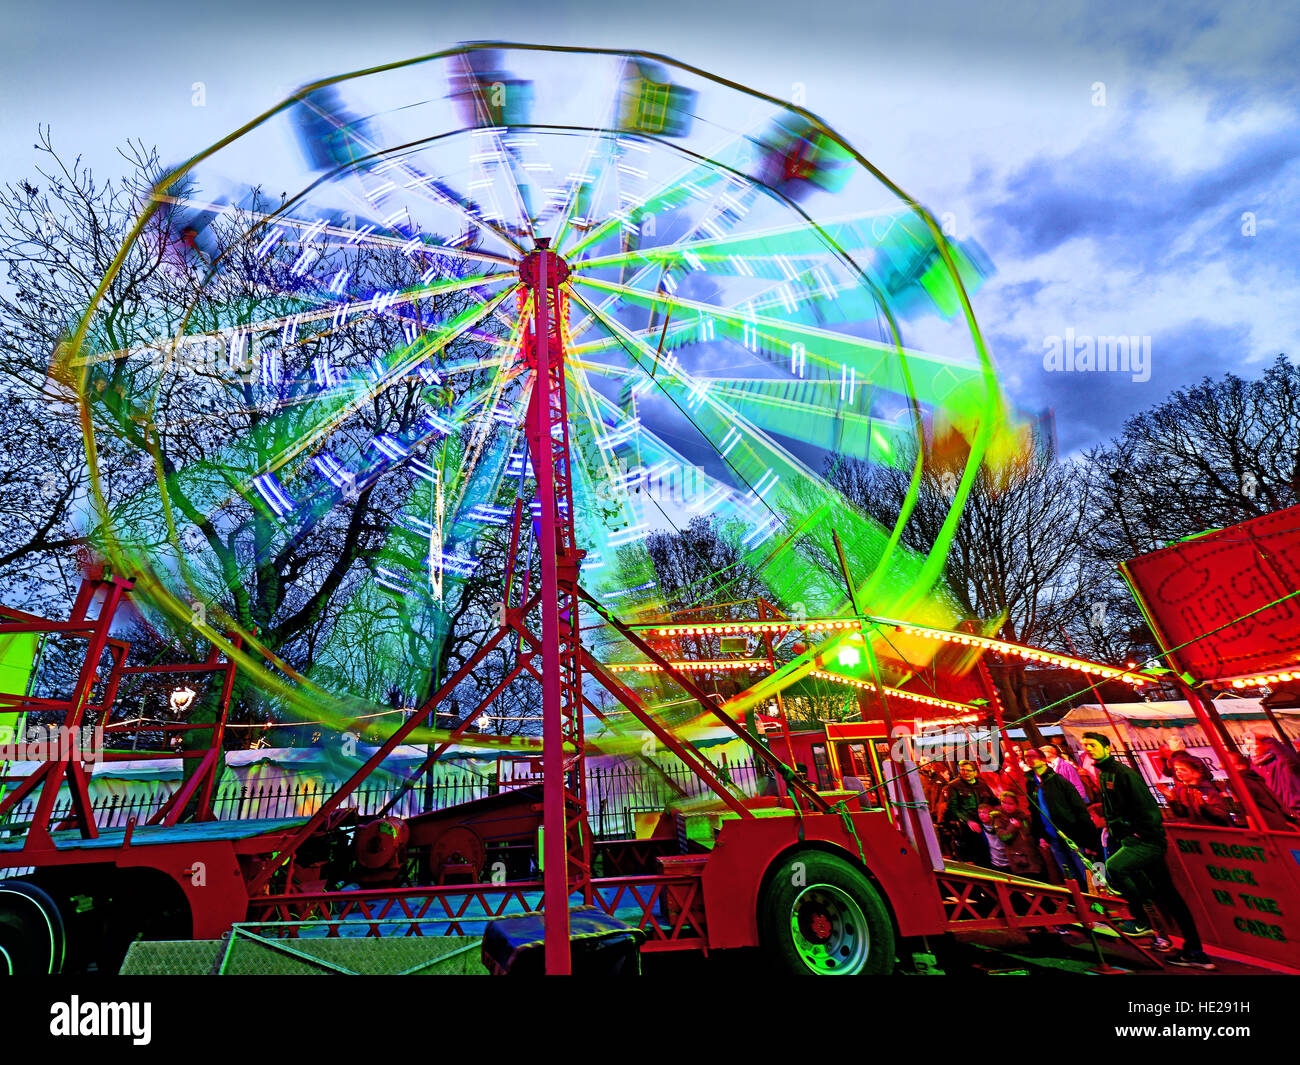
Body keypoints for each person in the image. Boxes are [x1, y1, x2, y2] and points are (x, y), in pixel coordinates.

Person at [1082, 731, 1215, 970]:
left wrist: (1136, 833)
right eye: (1085, 746)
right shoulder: (1105, 774)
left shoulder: (1122, 774)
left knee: (1114, 867)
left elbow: (1146, 807)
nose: (1088, 749)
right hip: (1133, 838)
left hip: (1143, 840)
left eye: (1092, 745)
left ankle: (1141, 919)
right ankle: (1192, 949)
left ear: (1106, 747)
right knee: (1166, 893)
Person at [1023, 748, 1099, 887]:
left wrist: (1089, 839)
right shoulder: (1031, 784)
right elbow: (1034, 810)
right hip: (1052, 836)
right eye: (1026, 757)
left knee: (1086, 870)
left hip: (1070, 833)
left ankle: (1099, 900)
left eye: (1032, 756)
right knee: (1069, 875)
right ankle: (1083, 902)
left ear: (1044, 759)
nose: (1028, 759)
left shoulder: (1058, 780)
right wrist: (1040, 835)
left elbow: (1078, 807)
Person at [938, 760, 997, 866]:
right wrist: (968, 821)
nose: (965, 773)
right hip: (967, 827)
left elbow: (993, 800)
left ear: (975, 772)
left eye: (969, 771)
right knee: (977, 855)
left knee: (989, 853)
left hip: (985, 823)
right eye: (963, 770)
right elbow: (953, 808)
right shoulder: (954, 785)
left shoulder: (982, 784)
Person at [1224, 751, 1299, 830]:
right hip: (1279, 823)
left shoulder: (1239, 781)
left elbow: (1246, 809)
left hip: (1268, 826)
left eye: (1225, 761)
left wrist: (1254, 830)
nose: (1220, 766)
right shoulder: (1254, 779)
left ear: (1240, 766)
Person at [1157, 752, 1233, 827]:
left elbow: (1222, 815)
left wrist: (1204, 806)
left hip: (1215, 829)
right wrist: (1172, 799)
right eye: (1176, 769)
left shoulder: (1208, 790)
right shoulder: (1179, 790)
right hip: (1197, 829)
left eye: (1183, 769)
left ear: (1196, 774)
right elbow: (1182, 814)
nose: (1178, 772)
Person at [1244, 730, 1300, 821]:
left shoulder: (1282, 762)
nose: (1249, 748)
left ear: (1266, 745)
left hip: (1296, 809)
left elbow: (1285, 754)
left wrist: (1267, 738)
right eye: (1247, 745)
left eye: (1254, 744)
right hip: (1282, 814)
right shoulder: (1254, 767)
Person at [995, 791, 1045, 878]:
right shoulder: (999, 818)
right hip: (1019, 860)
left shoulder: (1023, 816)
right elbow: (1004, 837)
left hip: (1033, 856)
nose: (1006, 806)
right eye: (1004, 802)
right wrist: (1013, 826)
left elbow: (1031, 833)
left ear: (1016, 804)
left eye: (1010, 804)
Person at [978, 804, 1010, 872]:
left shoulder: (1000, 826)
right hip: (995, 864)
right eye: (979, 812)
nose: (981, 815)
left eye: (984, 812)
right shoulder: (980, 829)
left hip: (1009, 863)